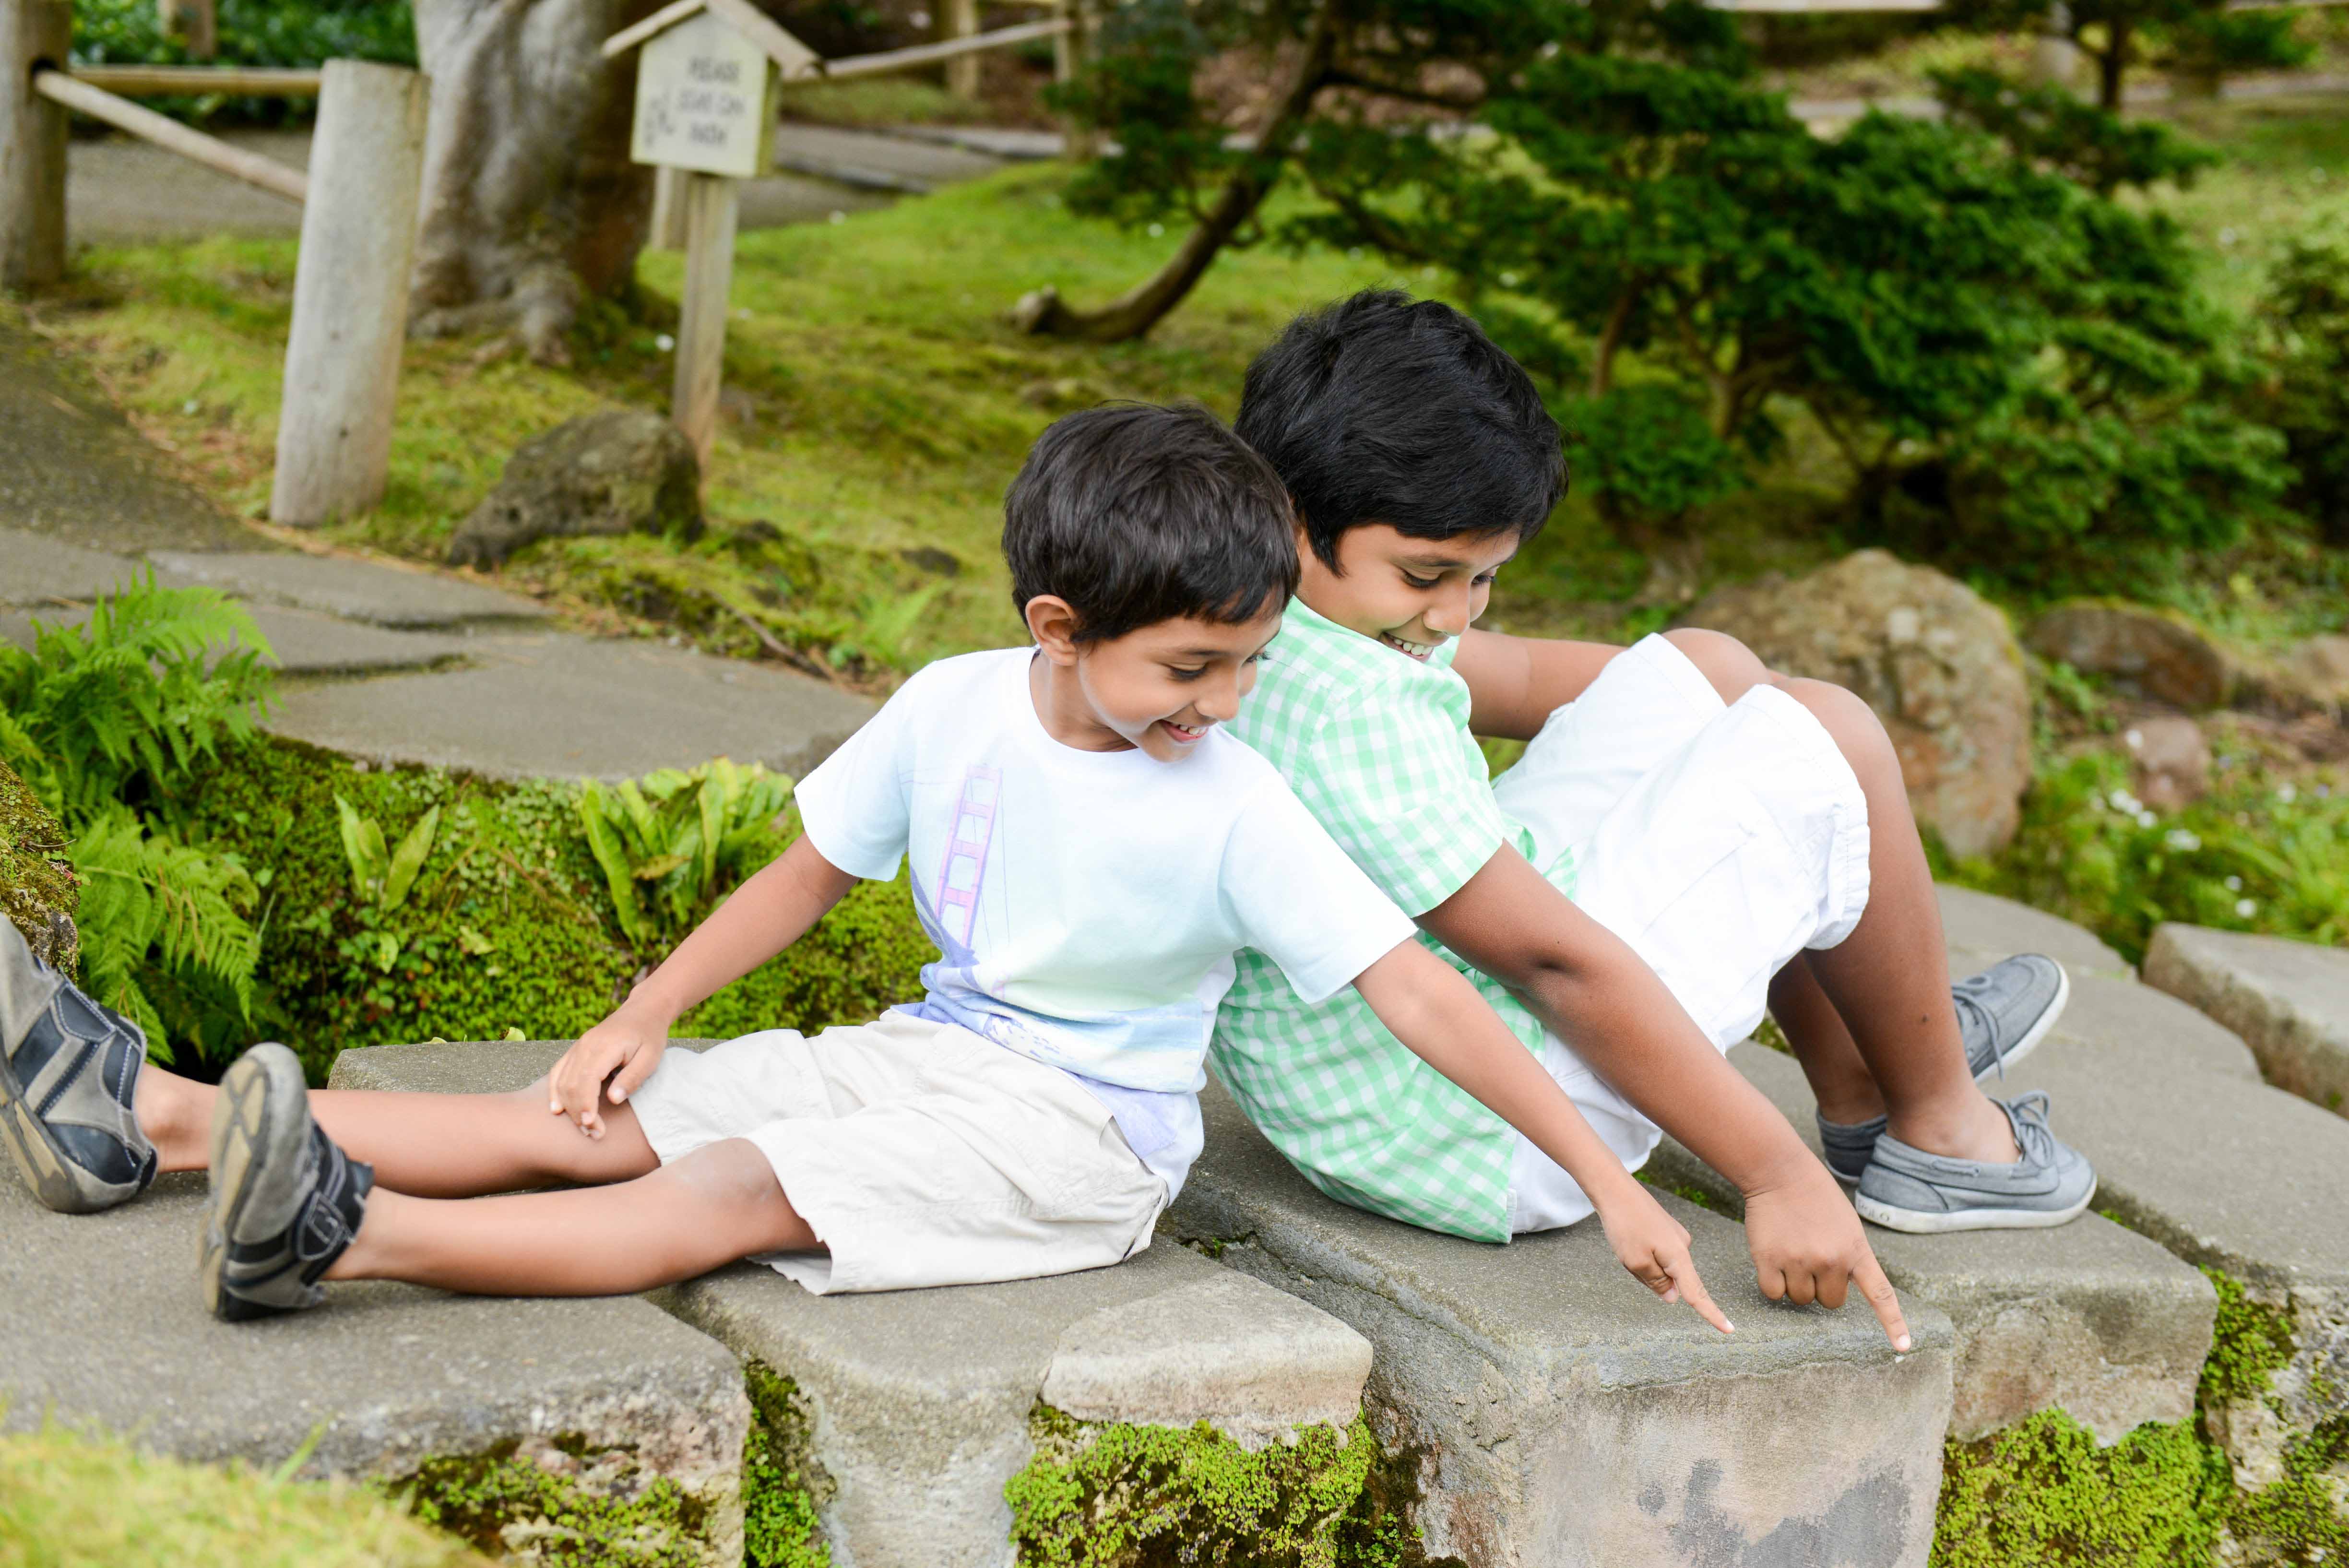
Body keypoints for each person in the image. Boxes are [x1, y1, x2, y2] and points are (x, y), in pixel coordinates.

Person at [1, 402, 1734, 1333]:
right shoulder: (954, 704)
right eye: (1190, 670)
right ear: (1058, 628)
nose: (1223, 706)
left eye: (1247, 666)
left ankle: (345, 1237)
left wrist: (1615, 1175)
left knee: (731, 1190)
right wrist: (643, 1006)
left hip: (1079, 1145)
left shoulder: (1229, 797)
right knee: (588, 1119)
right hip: (936, 1052)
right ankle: (143, 1115)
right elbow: (808, 873)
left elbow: (1423, 988)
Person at [1210, 292, 2094, 1344]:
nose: (1455, 611)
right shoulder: (1348, 714)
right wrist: (1772, 1172)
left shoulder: (1295, 614)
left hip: (1389, 1068)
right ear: (1299, 519)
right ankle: (1945, 1129)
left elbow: (1528, 670)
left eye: (1486, 575)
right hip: (1472, 1130)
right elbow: (1553, 966)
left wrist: (1727, 710)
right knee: (1835, 738)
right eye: (1429, 574)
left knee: (1719, 674)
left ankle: (1876, 1068)